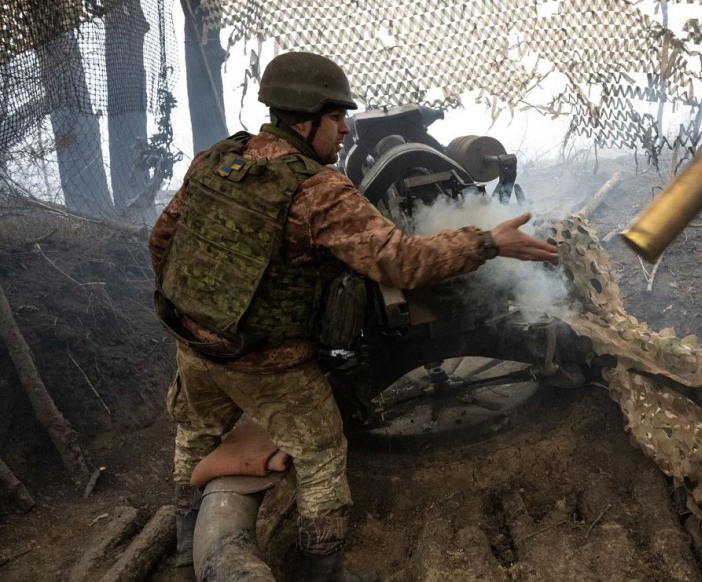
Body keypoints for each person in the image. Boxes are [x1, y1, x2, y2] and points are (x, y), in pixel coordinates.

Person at [149, 51, 558, 582]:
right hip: (269, 364)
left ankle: (186, 558)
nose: (345, 129)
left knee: (195, 438)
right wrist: (488, 241)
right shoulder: (317, 191)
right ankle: (326, 573)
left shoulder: (217, 159)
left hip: (195, 347)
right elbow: (402, 262)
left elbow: (163, 241)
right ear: (307, 119)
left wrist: (204, 312)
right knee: (320, 454)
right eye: (338, 117)